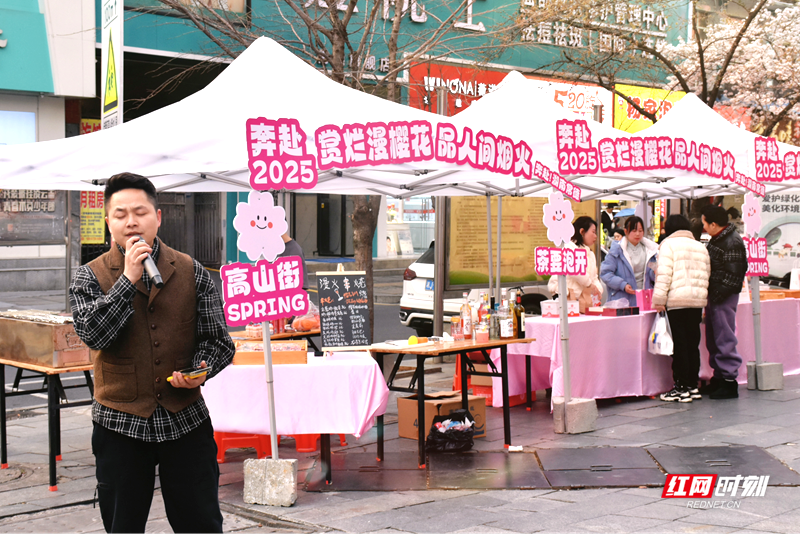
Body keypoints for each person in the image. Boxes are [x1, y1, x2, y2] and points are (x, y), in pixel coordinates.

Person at [69, 173, 235, 534]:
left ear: (158, 217)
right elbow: (94, 334)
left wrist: (201, 368)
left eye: (140, 212)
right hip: (119, 423)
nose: (131, 222)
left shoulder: (193, 272)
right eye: (121, 214)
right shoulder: (88, 277)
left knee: (201, 522)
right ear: (109, 222)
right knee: (123, 525)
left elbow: (219, 342)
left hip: (186, 420)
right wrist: (127, 280)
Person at [652, 214, 711, 403]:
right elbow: (707, 274)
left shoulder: (668, 245)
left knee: (679, 345)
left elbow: (664, 275)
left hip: (676, 302)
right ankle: (693, 386)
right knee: (693, 344)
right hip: (696, 302)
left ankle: (681, 387)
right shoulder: (700, 247)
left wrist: (659, 299)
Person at [700, 204, 747, 399]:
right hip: (716, 296)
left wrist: (718, 294)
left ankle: (729, 380)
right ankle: (718, 377)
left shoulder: (732, 241)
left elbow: (735, 274)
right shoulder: (718, 239)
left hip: (723, 296)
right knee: (714, 337)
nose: (703, 227)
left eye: (704, 223)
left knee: (725, 336)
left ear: (713, 224)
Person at [548, 216, 603, 313]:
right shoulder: (568, 248)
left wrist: (598, 289)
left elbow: (594, 277)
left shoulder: (590, 253)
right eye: (593, 232)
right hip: (567, 297)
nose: (595, 236)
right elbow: (575, 270)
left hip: (582, 301)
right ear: (582, 231)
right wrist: (589, 284)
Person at [600, 216, 659, 306]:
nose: (637, 234)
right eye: (634, 231)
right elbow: (605, 273)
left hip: (645, 299)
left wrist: (655, 273)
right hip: (622, 301)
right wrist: (623, 285)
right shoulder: (617, 250)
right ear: (626, 231)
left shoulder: (650, 251)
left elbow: (652, 273)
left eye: (640, 230)